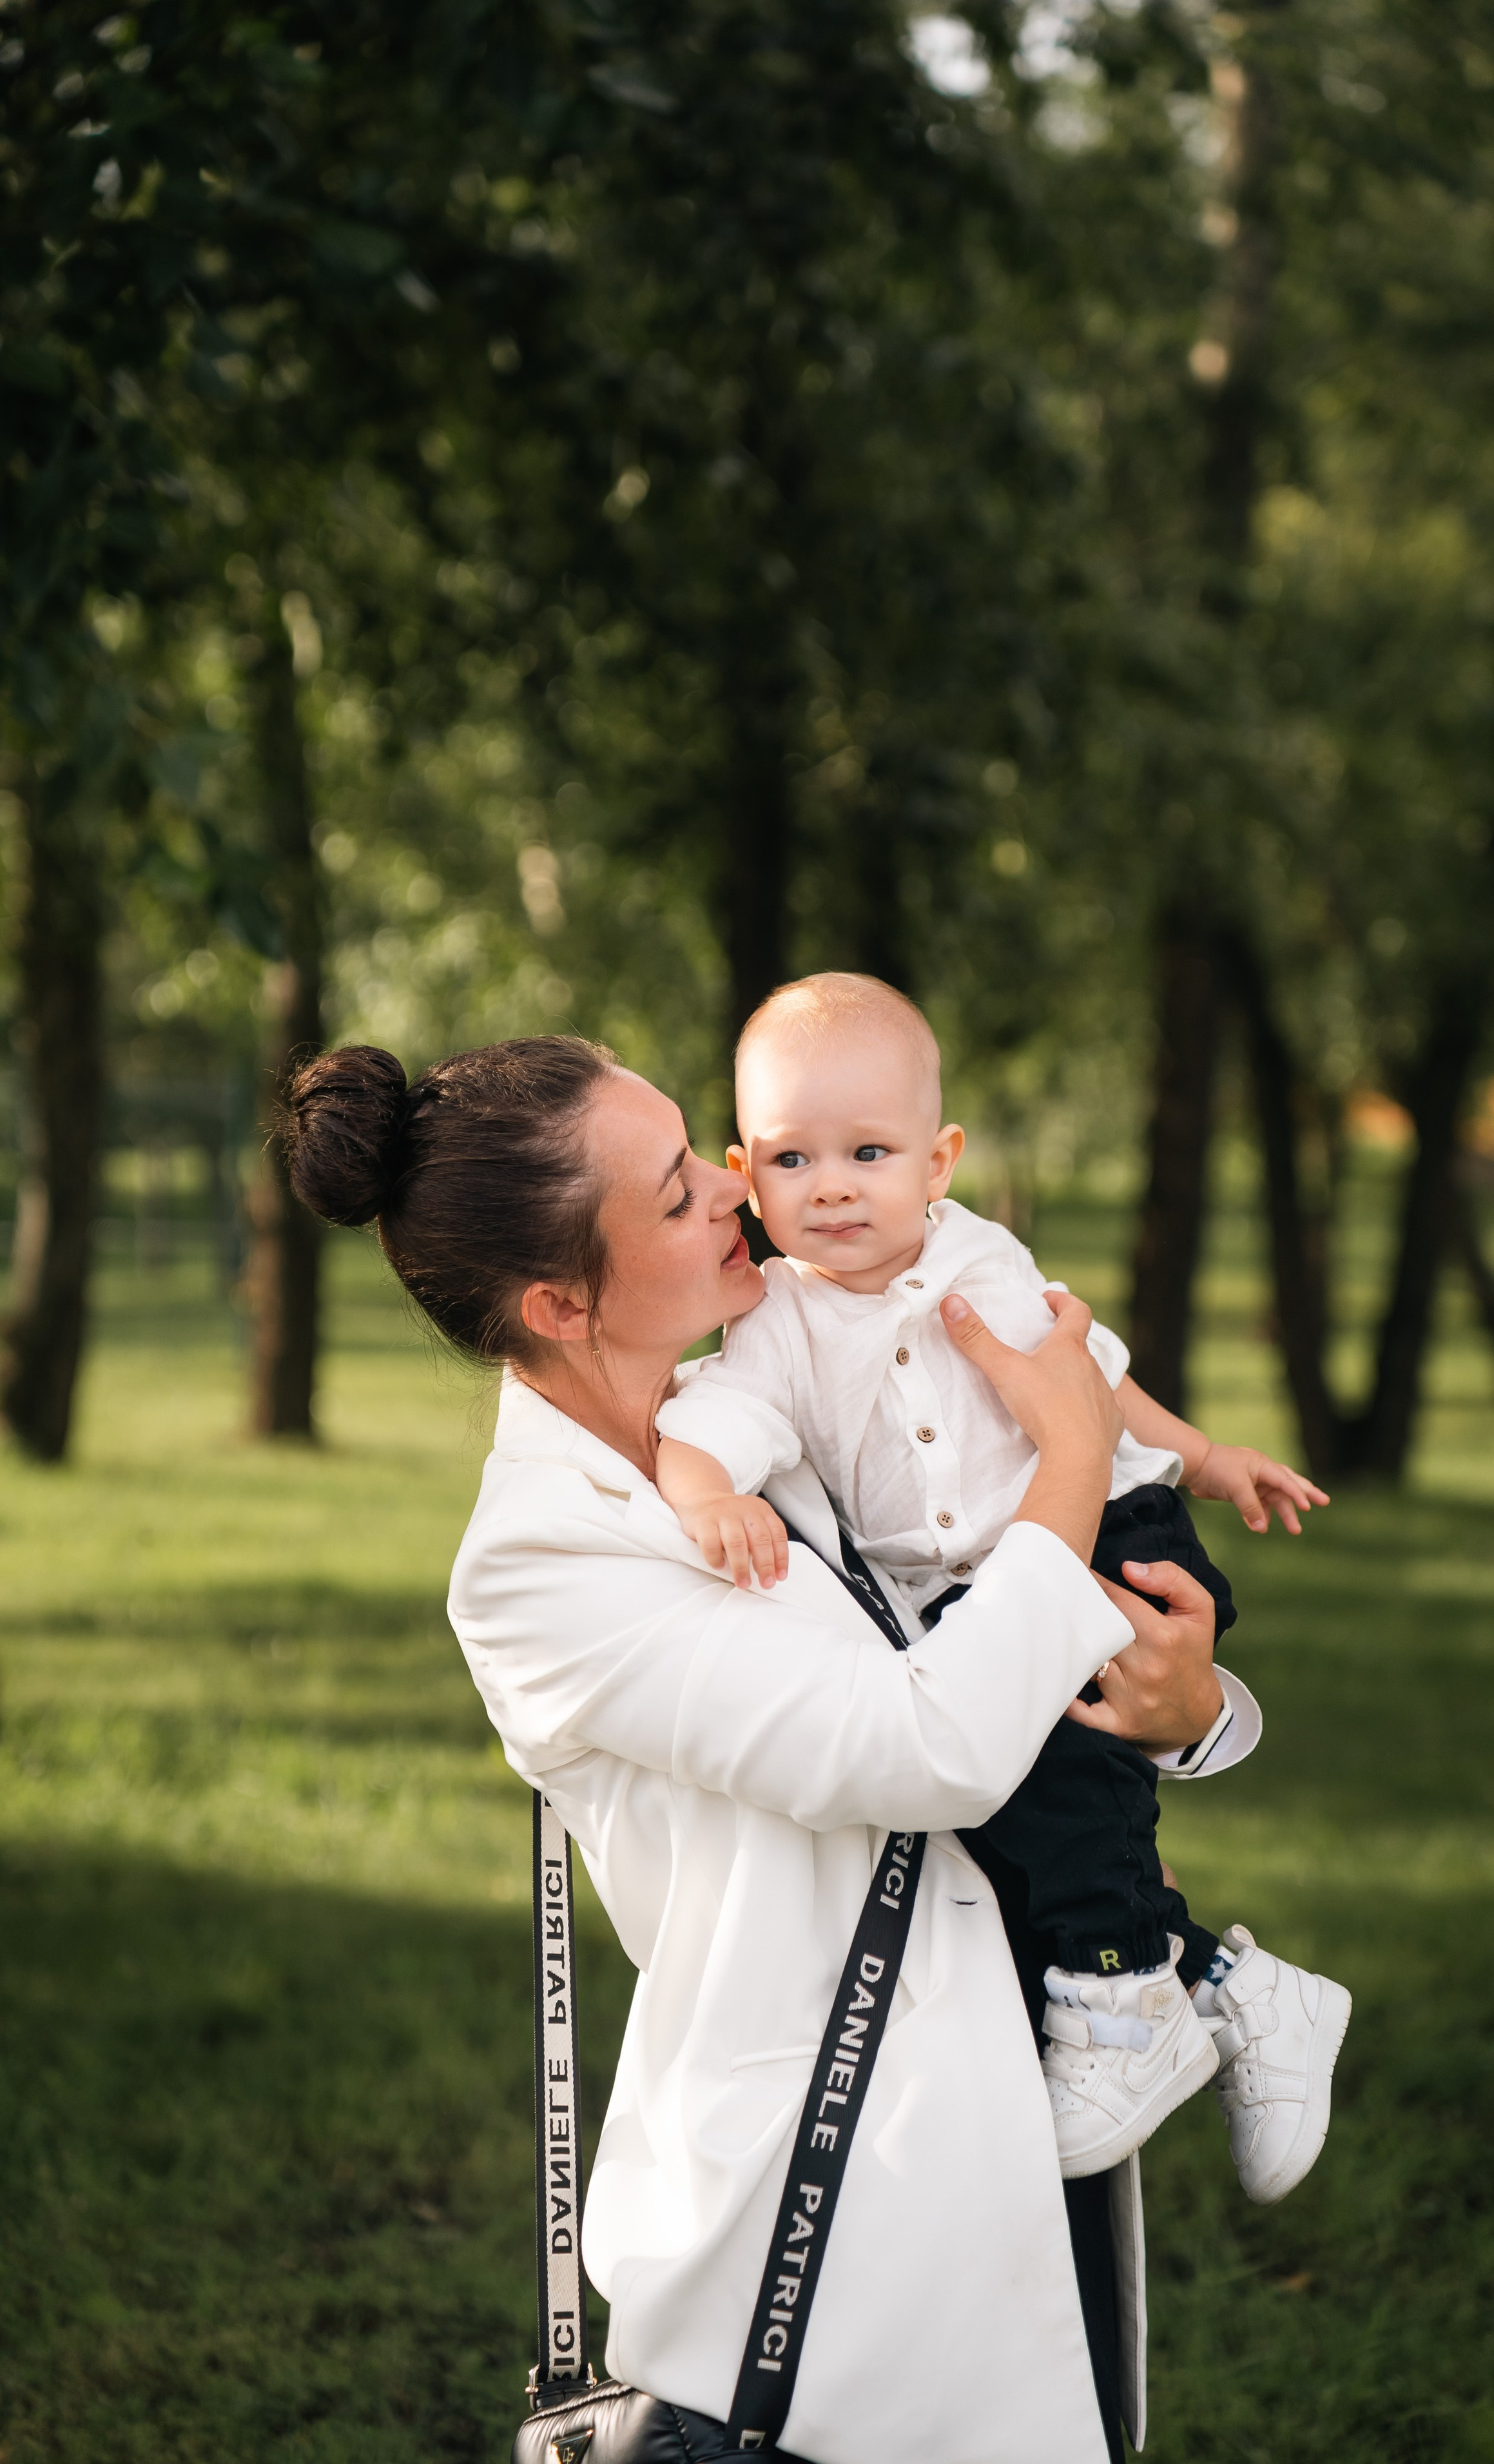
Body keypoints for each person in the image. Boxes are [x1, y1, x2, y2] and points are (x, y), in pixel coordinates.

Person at [283, 1032, 1261, 2464]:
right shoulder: (538, 1565)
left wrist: (1189, 1717)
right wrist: (1070, 1451)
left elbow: (993, 1631)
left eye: (699, 1154)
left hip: (1032, 2073)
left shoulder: (752, 1402)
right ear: (561, 1299)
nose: (735, 1195)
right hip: (828, 2203)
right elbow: (927, 1745)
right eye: (677, 1197)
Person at [654, 973, 1350, 2197]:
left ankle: (1126, 1996)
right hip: (985, 1591)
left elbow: (1094, 1384)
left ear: (940, 1159)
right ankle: (1238, 1992)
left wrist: (1207, 1458)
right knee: (1016, 1808)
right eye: (793, 1158)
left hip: (1111, 1531)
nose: (831, 1184)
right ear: (746, 1173)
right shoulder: (771, 1329)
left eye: (869, 1152)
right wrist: (708, 1494)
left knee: (1062, 1766)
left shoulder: (987, 1255)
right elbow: (711, 1424)